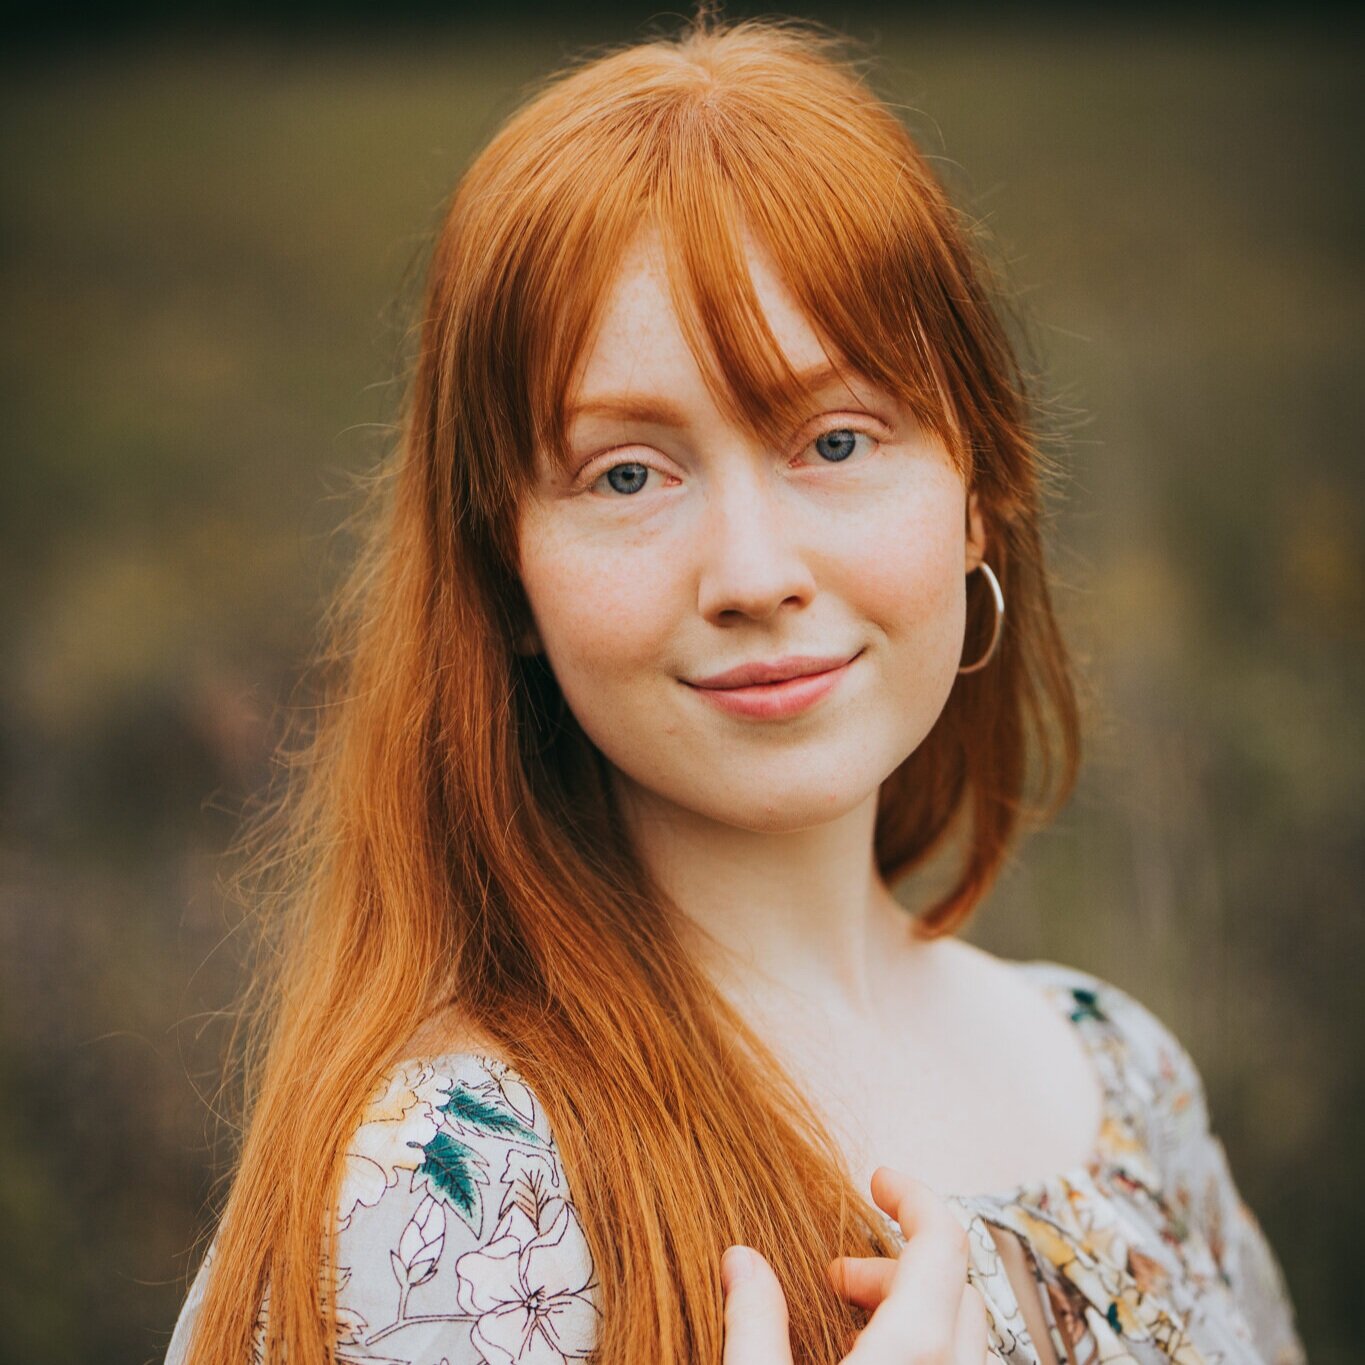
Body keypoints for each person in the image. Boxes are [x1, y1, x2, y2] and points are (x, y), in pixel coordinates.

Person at [164, 10, 1307, 1364]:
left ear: (976, 496)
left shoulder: (1125, 1077)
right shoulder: (444, 1194)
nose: (753, 571)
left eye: (834, 437)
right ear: (508, 572)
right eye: (627, 473)